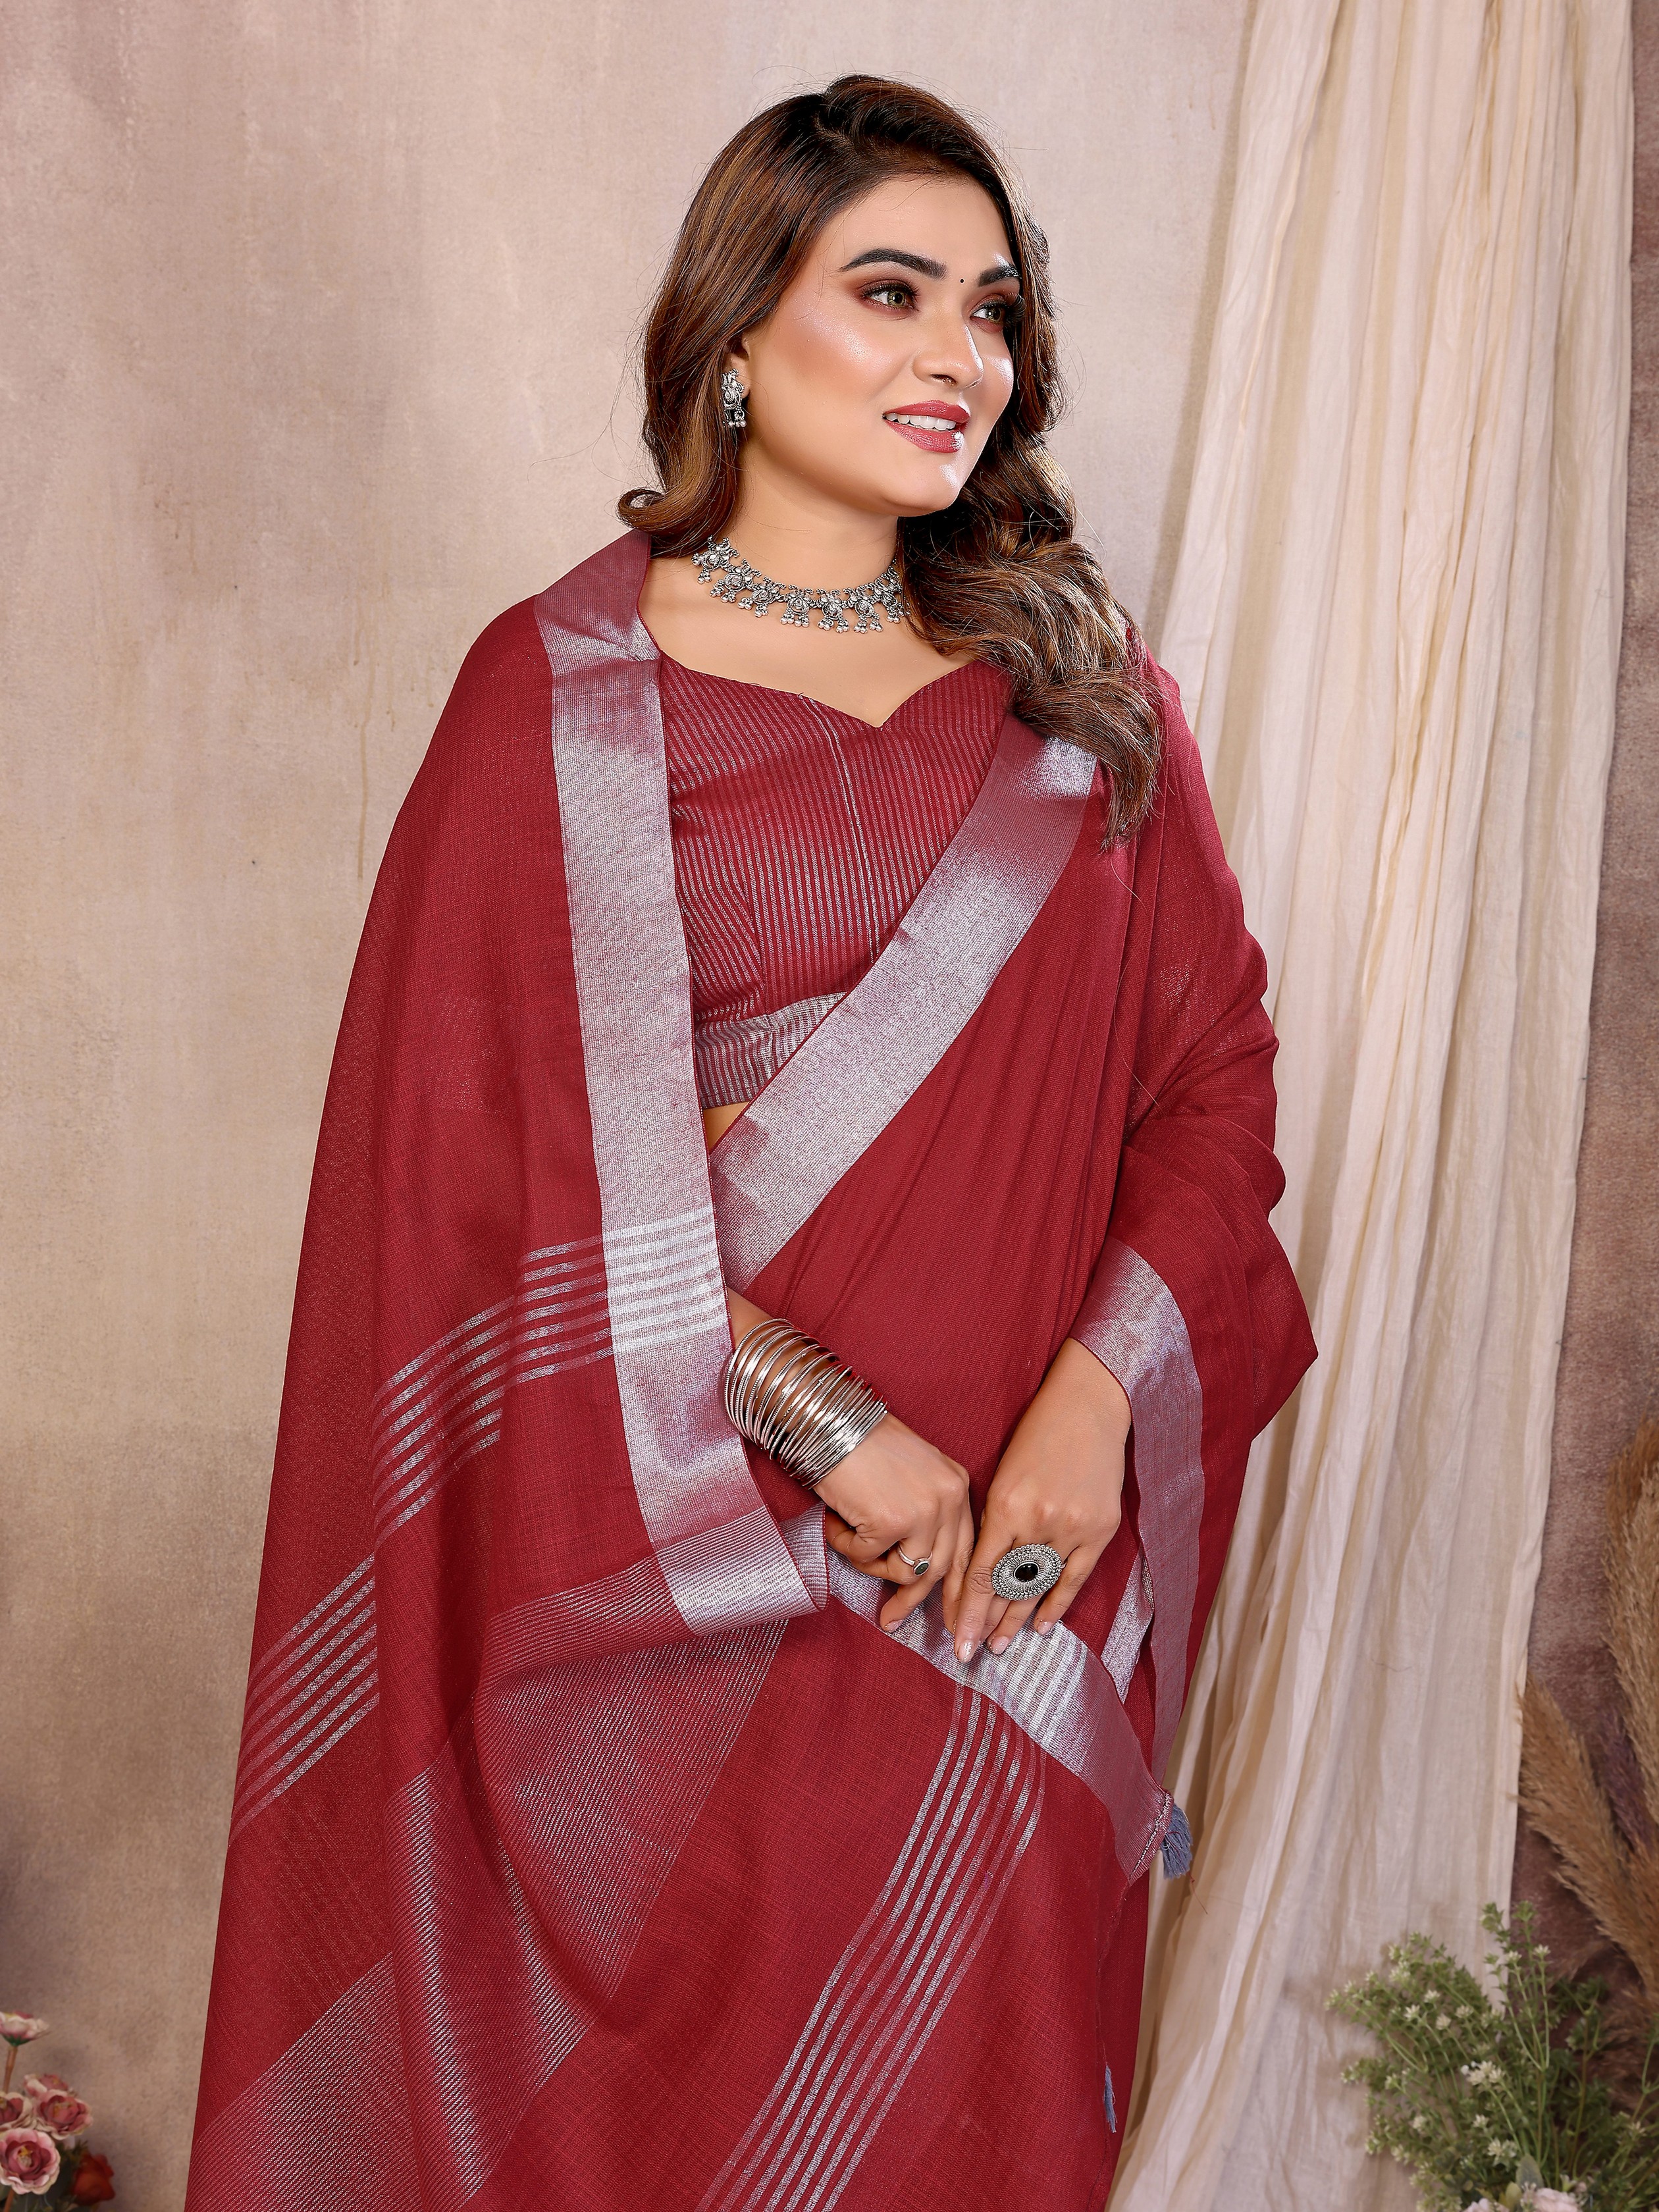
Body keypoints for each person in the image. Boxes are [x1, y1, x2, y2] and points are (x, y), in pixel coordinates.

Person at [187, 75, 1313, 2212]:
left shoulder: (1083, 702)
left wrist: (1091, 1412)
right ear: (733, 332)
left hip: (992, 1603)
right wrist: (829, 1425)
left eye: (993, 308)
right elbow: (470, 1193)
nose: (959, 354)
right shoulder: (555, 701)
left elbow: (1214, 1084)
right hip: (660, 1611)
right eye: (890, 292)